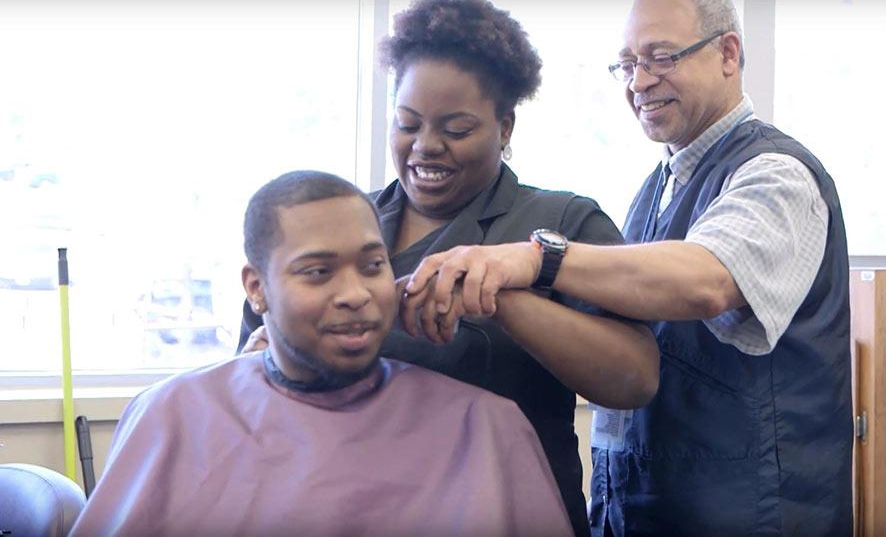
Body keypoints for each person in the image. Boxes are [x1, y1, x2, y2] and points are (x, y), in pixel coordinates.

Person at [400, 0, 853, 536]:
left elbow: (707, 280)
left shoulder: (776, 175)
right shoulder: (654, 191)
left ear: (728, 54)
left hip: (752, 515)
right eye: (627, 63)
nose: (639, 80)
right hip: (641, 511)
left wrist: (535, 261)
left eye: (661, 57)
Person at [237, 0, 659, 537]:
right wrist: (258, 363)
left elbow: (635, 377)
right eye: (408, 123)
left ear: (504, 128)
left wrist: (504, 297)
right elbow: (249, 381)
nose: (426, 147)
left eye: (456, 130)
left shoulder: (561, 223)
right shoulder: (338, 232)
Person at [70, 170, 573, 537]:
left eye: (373, 265)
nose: (355, 293)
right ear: (256, 288)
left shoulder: (483, 428)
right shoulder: (173, 416)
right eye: (317, 271)